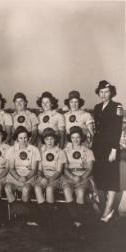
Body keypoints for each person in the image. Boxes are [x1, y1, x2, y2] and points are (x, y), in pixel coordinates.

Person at [92, 80, 123, 222]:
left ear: (111, 93)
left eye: (106, 92)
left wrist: (114, 150)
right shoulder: (97, 107)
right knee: (100, 176)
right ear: (98, 93)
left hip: (110, 148)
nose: (103, 95)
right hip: (98, 147)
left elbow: (116, 130)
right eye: (101, 92)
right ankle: (105, 206)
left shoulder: (117, 106)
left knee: (111, 177)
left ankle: (108, 209)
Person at [4, 126, 41, 225]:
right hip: (15, 176)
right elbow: (11, 168)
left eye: (25, 137)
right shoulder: (12, 149)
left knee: (25, 189)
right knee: (7, 188)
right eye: (21, 138)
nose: (23, 140)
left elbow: (34, 169)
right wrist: (18, 177)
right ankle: (18, 212)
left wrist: (26, 178)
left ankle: (23, 216)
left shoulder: (34, 149)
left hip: (29, 176)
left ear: (28, 138)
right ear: (17, 138)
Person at [63, 126, 94, 228]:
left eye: (78, 137)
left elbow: (89, 168)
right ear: (70, 139)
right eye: (73, 137)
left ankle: (78, 219)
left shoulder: (88, 151)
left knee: (80, 192)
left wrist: (81, 177)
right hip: (69, 176)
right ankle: (74, 217)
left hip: (83, 176)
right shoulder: (65, 151)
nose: (75, 140)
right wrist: (72, 177)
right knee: (67, 190)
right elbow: (65, 168)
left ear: (81, 138)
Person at [34, 127, 66, 225]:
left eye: (52, 139)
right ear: (44, 140)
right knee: (37, 188)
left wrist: (50, 179)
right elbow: (39, 169)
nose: (49, 141)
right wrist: (42, 178)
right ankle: (45, 215)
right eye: (47, 139)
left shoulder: (60, 151)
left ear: (55, 139)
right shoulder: (40, 151)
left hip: (55, 177)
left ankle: (51, 217)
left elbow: (59, 171)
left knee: (49, 189)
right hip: (44, 176)